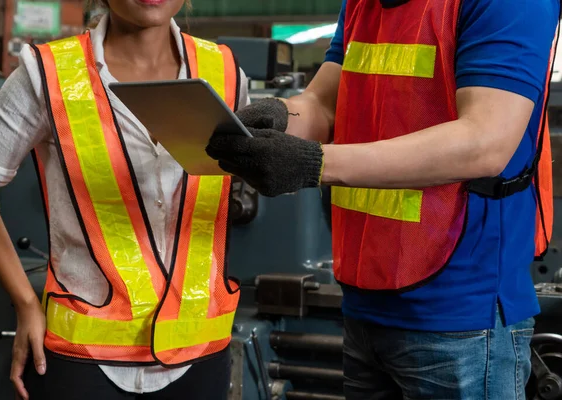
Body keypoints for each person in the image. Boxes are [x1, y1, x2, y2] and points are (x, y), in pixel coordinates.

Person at [206, 0, 559, 398]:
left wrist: (314, 162)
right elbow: (324, 103)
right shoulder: (363, 3)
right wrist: (278, 115)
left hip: (461, 315)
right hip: (364, 299)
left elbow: (484, 143)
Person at [0, 0, 249, 399]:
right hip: (84, 363)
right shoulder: (46, 72)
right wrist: (25, 302)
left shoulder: (227, 72)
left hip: (201, 355)